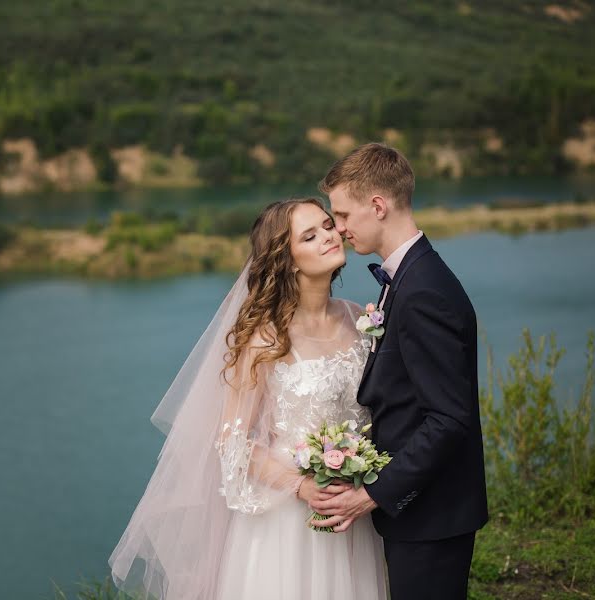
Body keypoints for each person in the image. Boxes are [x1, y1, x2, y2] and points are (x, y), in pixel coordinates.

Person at [109, 197, 387, 600]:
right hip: (288, 521)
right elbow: (233, 441)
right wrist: (302, 486)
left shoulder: (360, 321)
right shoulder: (264, 340)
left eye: (328, 226)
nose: (329, 236)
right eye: (310, 236)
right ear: (287, 259)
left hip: (352, 508)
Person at [312, 143, 489, 600]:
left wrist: (373, 493)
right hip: (420, 513)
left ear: (378, 205)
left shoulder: (423, 291)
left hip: (432, 515)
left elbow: (449, 420)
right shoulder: (407, 278)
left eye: (344, 215)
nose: (341, 229)